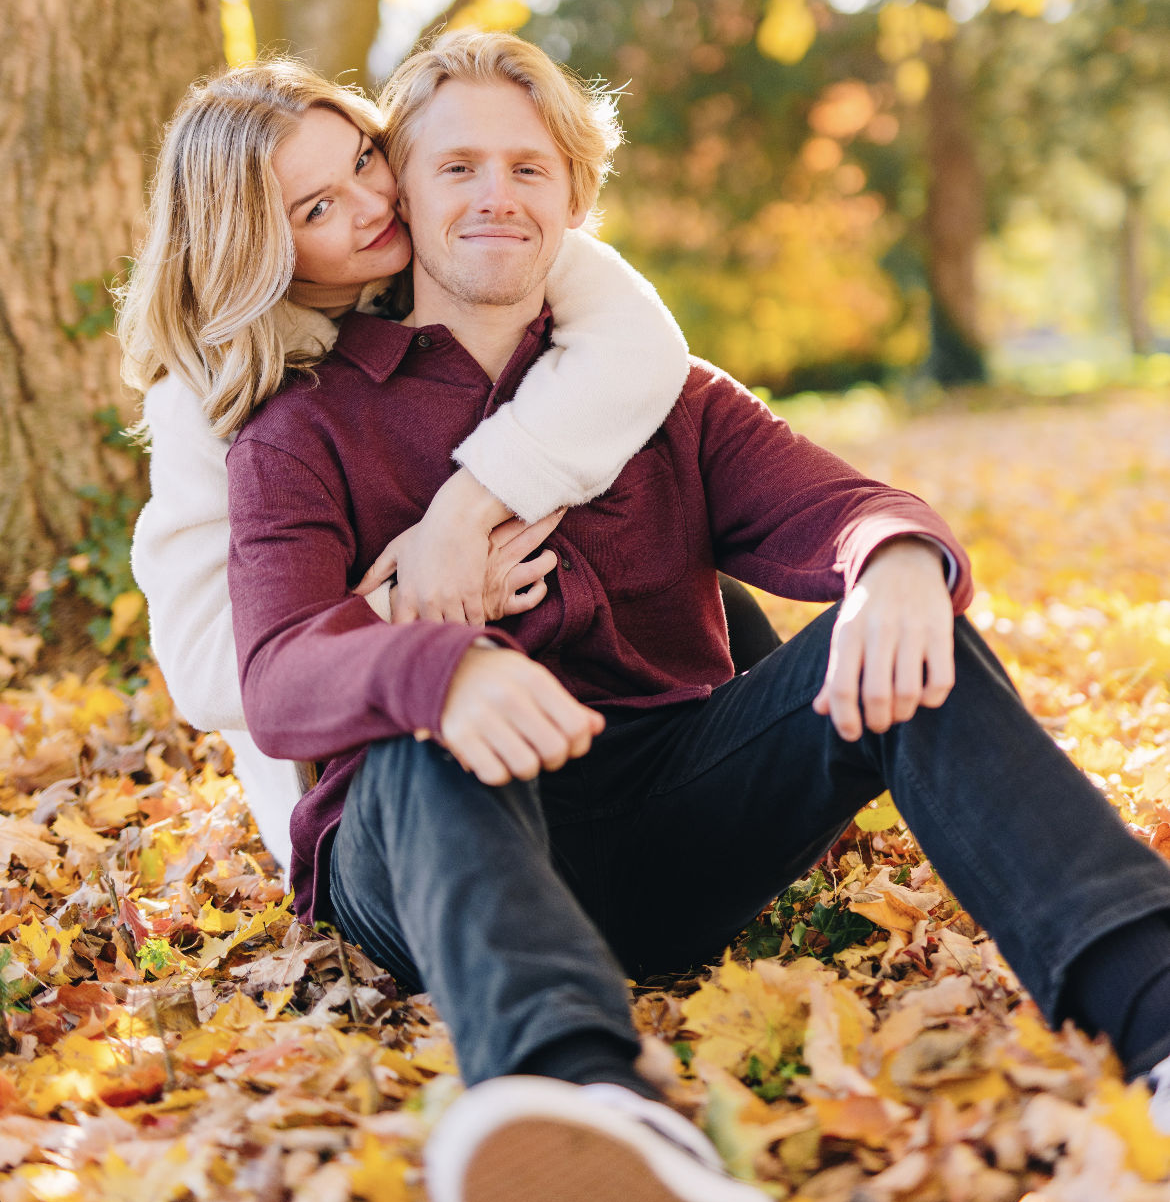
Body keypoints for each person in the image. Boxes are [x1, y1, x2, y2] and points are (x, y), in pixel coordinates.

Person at [225, 30, 1170, 1202]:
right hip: (426, 855)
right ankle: (586, 1117)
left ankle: (1155, 1016)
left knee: (916, 634)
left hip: (658, 825)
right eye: (458, 166)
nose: (496, 197)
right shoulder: (300, 426)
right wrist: (439, 670)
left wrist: (899, 564)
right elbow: (272, 674)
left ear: (574, 193)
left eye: (529, 168)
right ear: (401, 196)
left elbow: (849, 508)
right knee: (431, 731)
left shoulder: (668, 397)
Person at [123, 59, 775, 873]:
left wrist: (465, 511)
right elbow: (208, 669)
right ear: (262, 246)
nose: (373, 205)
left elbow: (638, 344)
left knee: (705, 594)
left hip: (519, 659)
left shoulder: (433, 249)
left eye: (363, 159)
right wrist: (420, 600)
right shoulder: (212, 400)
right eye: (319, 207)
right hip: (367, 765)